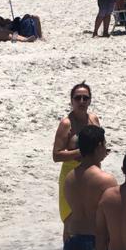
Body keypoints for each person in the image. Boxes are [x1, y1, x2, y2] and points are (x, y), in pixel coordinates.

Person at [61, 124, 117, 250]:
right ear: (99, 146)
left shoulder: (69, 178)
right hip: (97, 242)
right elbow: (112, 214)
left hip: (74, 239)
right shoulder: (106, 180)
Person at [54, 83, 102, 237]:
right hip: (72, 175)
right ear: (72, 100)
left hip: (93, 173)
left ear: (90, 100)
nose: (82, 101)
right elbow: (56, 155)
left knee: (92, 216)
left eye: (85, 98)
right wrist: (81, 152)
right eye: (78, 98)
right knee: (70, 220)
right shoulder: (66, 124)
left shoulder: (93, 119)